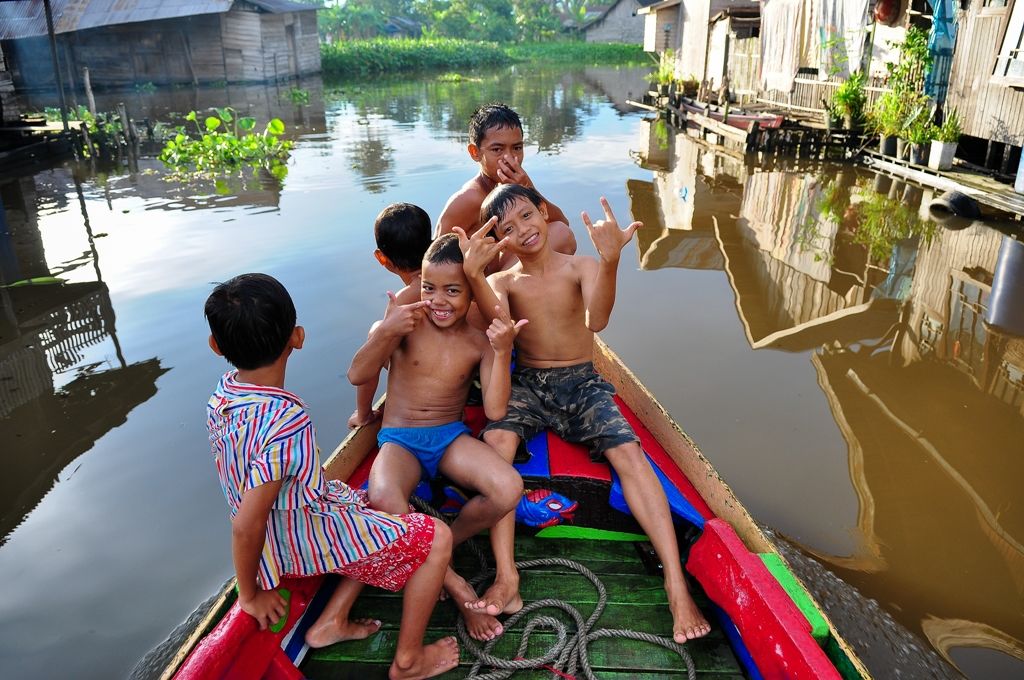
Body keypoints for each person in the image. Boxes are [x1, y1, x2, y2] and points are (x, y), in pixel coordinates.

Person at [455, 185, 712, 643]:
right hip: (528, 383)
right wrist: (474, 275)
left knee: (629, 454)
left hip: (582, 382)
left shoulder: (581, 267)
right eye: (507, 229)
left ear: (543, 212)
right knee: (496, 443)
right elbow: (500, 331)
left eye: (527, 216)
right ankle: (507, 576)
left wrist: (610, 261)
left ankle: (676, 584)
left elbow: (597, 320)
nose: (523, 231)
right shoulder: (503, 283)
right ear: (499, 242)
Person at [205, 273, 459, 680]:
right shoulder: (284, 421)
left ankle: (332, 620)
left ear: (215, 346)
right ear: (298, 337)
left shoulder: (223, 396)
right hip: (294, 541)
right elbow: (246, 524)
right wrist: (250, 594)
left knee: (370, 505)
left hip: (283, 529)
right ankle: (409, 660)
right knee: (437, 539)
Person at [348, 233, 526, 642]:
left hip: (448, 437)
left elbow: (495, 410)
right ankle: (456, 584)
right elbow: (358, 374)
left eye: (452, 290)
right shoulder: (404, 324)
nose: (438, 300)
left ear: (472, 294)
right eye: (429, 288)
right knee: (383, 497)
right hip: (400, 439)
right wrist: (384, 332)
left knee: (507, 487)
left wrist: (502, 352)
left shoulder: (477, 341)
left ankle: (447, 540)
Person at [436, 103, 576, 271]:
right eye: (497, 149)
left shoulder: (517, 185)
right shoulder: (468, 199)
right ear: (475, 152)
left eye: (517, 148)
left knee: (561, 233)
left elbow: (561, 223)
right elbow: (432, 259)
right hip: (479, 281)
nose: (509, 158)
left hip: (502, 273)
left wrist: (527, 188)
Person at [348, 203, 434, 430]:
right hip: (463, 369)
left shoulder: (403, 299)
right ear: (432, 243)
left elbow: (369, 364)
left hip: (430, 378)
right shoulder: (451, 273)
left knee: (377, 331)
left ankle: (363, 414)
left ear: (382, 258)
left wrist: (364, 414)